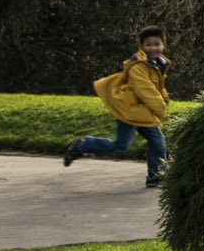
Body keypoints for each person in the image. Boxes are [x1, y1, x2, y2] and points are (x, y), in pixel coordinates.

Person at [63, 26, 172, 187]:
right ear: (142, 46)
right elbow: (146, 91)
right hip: (128, 110)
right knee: (121, 146)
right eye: (149, 45)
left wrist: (165, 96)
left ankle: (155, 174)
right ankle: (83, 145)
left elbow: (157, 86)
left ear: (163, 45)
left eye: (157, 44)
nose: (153, 48)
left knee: (157, 141)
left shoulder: (158, 63)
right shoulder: (138, 67)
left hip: (142, 111)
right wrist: (160, 108)